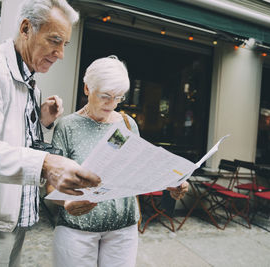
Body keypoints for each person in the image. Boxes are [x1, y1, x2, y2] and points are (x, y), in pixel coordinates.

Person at [0, 0, 101, 266]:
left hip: (15, 216)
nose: (61, 54)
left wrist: (41, 121)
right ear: (26, 28)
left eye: (65, 44)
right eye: (55, 41)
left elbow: (13, 140)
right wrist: (47, 164)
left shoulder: (31, 84)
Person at [47, 56, 189, 267]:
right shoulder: (67, 126)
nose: (112, 104)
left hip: (123, 230)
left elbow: (139, 168)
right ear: (87, 88)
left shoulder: (127, 123)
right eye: (105, 96)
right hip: (77, 229)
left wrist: (171, 181)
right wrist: (66, 203)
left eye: (118, 97)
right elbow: (51, 184)